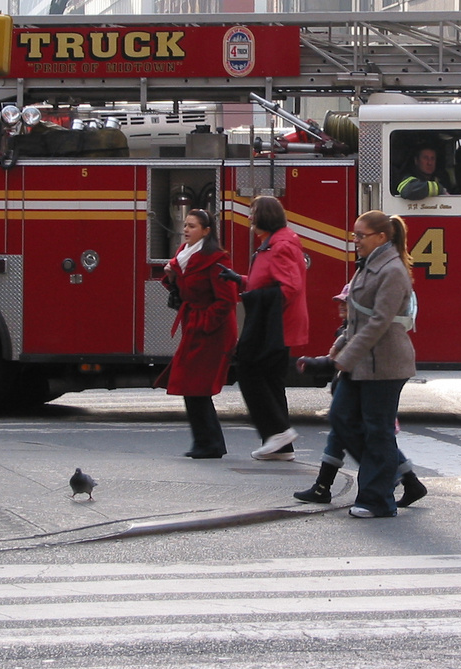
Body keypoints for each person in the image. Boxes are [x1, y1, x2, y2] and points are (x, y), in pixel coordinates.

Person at [292, 283, 427, 508]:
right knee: (344, 437)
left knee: (372, 440)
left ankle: (389, 481)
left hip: (361, 401)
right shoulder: (347, 332)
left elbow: (339, 362)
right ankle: (323, 487)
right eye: (340, 304)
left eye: (346, 304)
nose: (341, 308)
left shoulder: (356, 334)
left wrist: (315, 364)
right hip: (350, 399)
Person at [328, 210, 418, 518]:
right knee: (341, 417)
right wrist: (340, 347)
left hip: (385, 364)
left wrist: (346, 356)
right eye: (354, 235)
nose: (355, 241)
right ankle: (384, 473)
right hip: (362, 361)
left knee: (377, 429)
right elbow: (356, 316)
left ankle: (377, 499)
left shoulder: (392, 270)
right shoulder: (369, 265)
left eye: (360, 236)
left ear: (382, 237)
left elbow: (379, 322)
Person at [159, 209, 238, 458]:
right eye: (185, 225)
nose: (186, 230)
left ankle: (209, 443)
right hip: (194, 325)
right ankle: (207, 442)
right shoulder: (183, 255)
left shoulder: (217, 259)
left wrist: (204, 323)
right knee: (191, 385)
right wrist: (172, 277)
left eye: (192, 226)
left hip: (211, 331)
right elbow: (183, 289)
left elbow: (226, 301)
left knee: (196, 385)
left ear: (206, 231)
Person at [238, 195, 309, 459]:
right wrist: (242, 281)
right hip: (276, 323)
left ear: (265, 216)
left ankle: (278, 431)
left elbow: (289, 288)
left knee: (249, 370)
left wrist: (252, 296)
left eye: (253, 212)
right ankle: (281, 446)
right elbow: (268, 281)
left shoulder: (279, 245)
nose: (249, 217)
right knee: (270, 379)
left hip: (274, 325)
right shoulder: (275, 243)